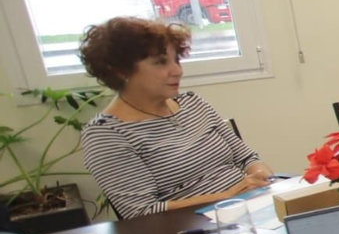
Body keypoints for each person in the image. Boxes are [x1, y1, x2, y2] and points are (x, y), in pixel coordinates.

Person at [79, 16, 272, 218]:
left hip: (250, 207)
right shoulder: (106, 134)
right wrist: (228, 197)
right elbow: (141, 212)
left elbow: (246, 157)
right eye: (161, 62)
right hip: (191, 228)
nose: (177, 71)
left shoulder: (192, 102)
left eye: (177, 60)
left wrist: (262, 177)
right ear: (120, 71)